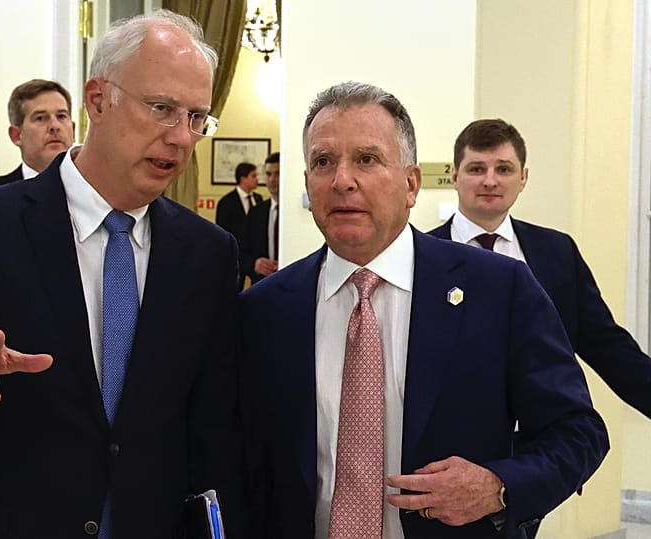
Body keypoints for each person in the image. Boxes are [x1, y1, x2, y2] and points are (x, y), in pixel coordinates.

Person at [0, 10, 247, 539]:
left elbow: (213, 431)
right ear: (97, 99)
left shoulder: (207, 254)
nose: (181, 137)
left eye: (197, 117)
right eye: (162, 108)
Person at [238, 82, 608, 539]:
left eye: (367, 160)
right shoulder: (264, 311)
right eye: (323, 162)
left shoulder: (499, 290)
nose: (342, 180)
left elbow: (578, 432)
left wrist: (499, 486)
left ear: (411, 184)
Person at [429, 118, 651, 537]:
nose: (490, 180)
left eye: (504, 168)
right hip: (449, 461)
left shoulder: (556, 253)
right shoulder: (422, 256)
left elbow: (606, 345)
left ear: (523, 178)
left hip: (533, 459)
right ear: (455, 176)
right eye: (477, 168)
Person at [0, 78, 75, 194]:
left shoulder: (90, 190)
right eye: (40, 118)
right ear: (16, 135)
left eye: (61, 116)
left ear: (73, 130)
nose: (54, 126)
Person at [239, 152, 280, 285]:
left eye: (278, 173)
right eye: (268, 174)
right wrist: (255, 264)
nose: (272, 180)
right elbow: (241, 252)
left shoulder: (299, 213)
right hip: (262, 284)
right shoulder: (256, 212)